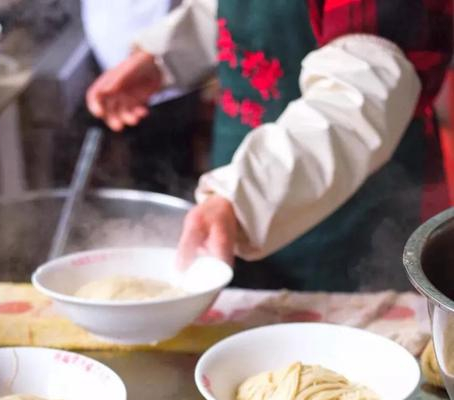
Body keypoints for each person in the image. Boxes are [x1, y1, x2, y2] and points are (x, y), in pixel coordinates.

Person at [87, 0, 453, 291]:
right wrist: (163, 57)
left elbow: (364, 92)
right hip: (238, 192)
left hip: (358, 213)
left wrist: (244, 196)